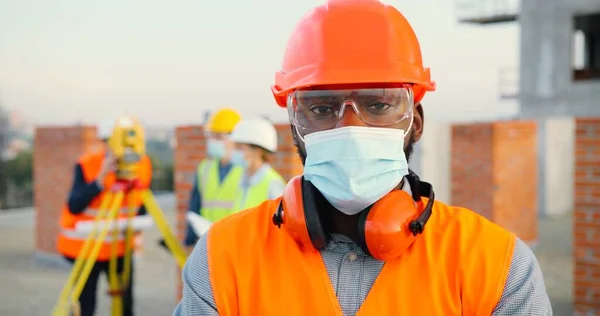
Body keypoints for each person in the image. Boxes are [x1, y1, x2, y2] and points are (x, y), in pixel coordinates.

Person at [174, 0, 552, 315]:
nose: (350, 127)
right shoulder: (222, 260)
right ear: (294, 129)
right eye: (321, 108)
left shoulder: (497, 267)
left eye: (378, 104)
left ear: (415, 123)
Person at [57, 116, 152, 316]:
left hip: (119, 248)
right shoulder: (88, 164)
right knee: (86, 304)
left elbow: (140, 204)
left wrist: (139, 221)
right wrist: (100, 180)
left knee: (125, 303)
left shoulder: (142, 165)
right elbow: (75, 205)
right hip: (88, 248)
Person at [183, 108, 244, 252]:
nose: (213, 142)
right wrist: (189, 242)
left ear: (233, 137)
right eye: (211, 136)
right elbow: (194, 206)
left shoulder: (247, 171)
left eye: (218, 137)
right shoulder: (204, 168)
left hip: (236, 245)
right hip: (208, 243)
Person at [229, 117, 286, 211]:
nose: (236, 152)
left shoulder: (273, 184)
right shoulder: (240, 179)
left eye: (240, 147)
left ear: (258, 150)